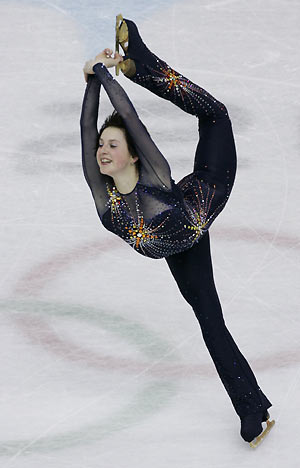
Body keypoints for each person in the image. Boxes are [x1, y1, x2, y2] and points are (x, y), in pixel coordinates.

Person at [80, 16, 274, 446]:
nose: (102, 151)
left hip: (204, 190)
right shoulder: (104, 200)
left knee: (215, 115)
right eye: (101, 146)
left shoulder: (155, 172)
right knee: (210, 320)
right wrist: (91, 84)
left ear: (133, 155)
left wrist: (103, 75)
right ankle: (251, 409)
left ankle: (141, 62)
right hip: (182, 246)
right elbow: (84, 131)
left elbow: (130, 118)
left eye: (113, 144)